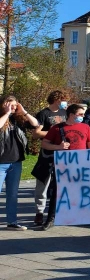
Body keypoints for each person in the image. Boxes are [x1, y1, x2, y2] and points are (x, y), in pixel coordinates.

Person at [41, 103, 90, 231]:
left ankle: (82, 217)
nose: (82, 116)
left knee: (81, 191)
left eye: (83, 114)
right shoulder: (57, 128)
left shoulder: (86, 127)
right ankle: (51, 218)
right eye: (80, 114)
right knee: (57, 191)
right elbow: (44, 144)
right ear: (71, 115)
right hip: (62, 165)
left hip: (81, 164)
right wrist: (58, 147)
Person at [0, 96, 39, 230]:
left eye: (15, 105)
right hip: (1, 163)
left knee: (13, 194)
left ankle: (12, 221)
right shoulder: (3, 118)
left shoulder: (19, 120)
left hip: (16, 162)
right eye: (10, 105)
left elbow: (36, 124)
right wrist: (6, 113)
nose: (13, 108)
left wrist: (24, 112)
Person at [30, 91, 68, 226]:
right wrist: (53, 132)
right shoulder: (44, 113)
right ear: (57, 100)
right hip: (47, 152)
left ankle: (58, 211)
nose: (65, 103)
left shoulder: (64, 113)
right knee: (43, 182)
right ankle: (39, 212)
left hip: (63, 152)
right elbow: (36, 133)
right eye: (63, 100)